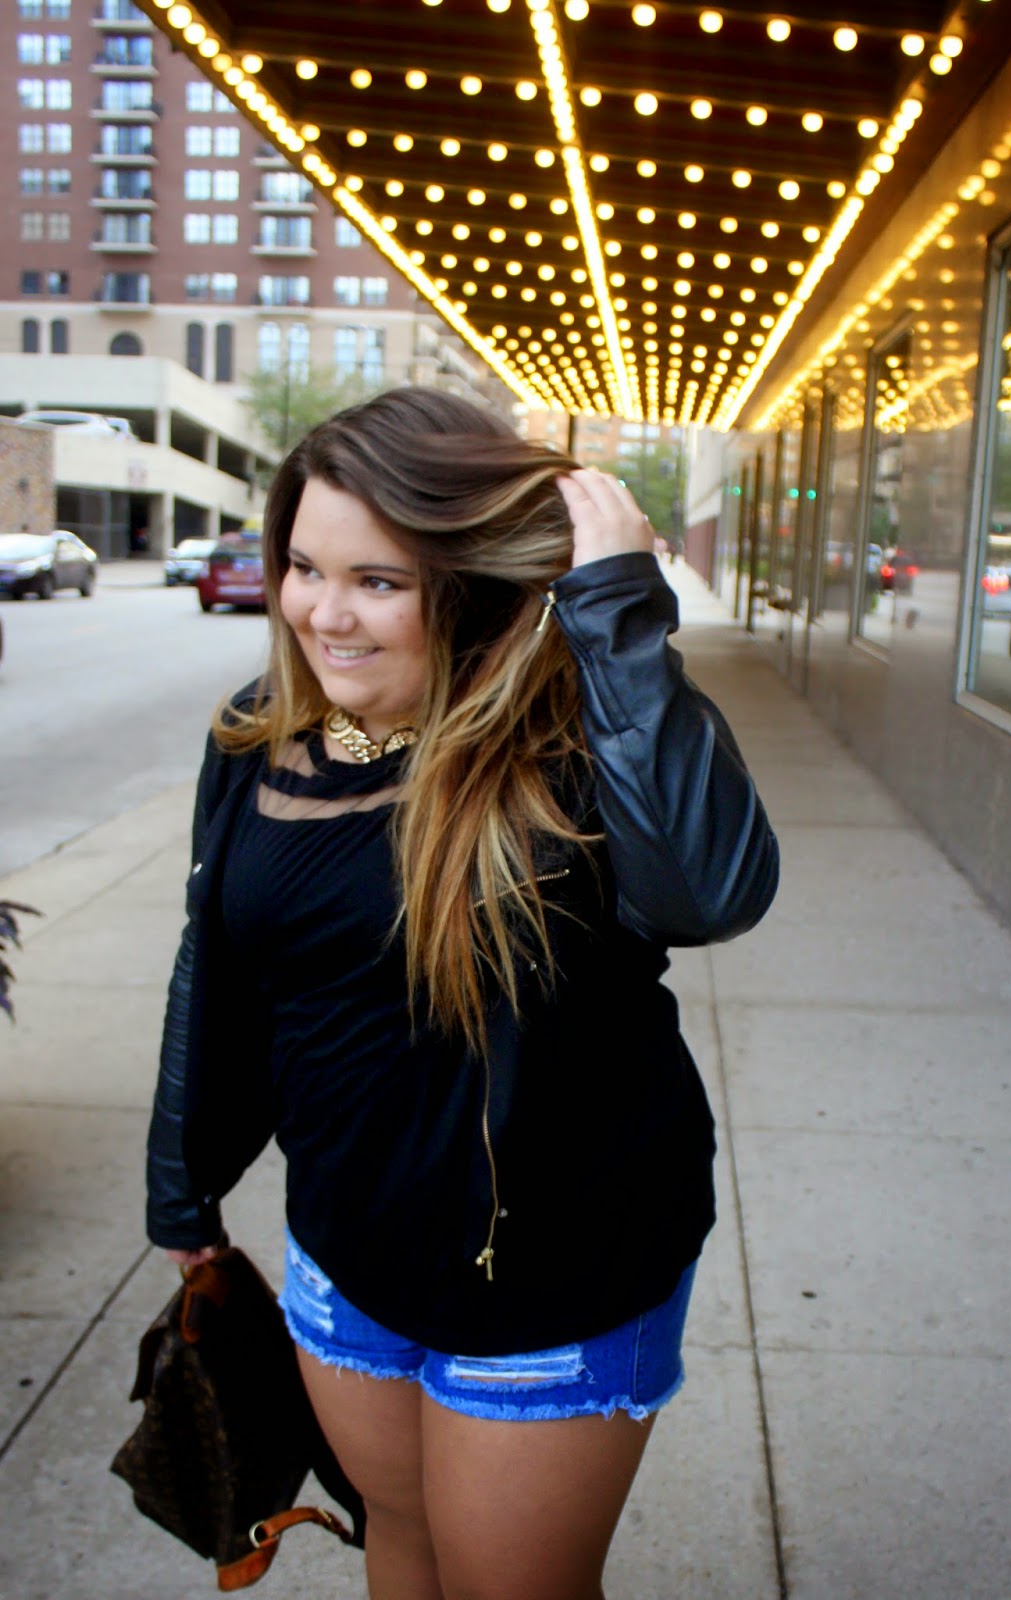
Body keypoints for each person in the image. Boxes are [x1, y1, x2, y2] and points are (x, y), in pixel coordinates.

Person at [146, 387, 778, 1600]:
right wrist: (182, 1183)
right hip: (349, 1247)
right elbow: (219, 970)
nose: (325, 613)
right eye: (303, 567)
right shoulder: (257, 733)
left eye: (378, 581)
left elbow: (711, 891)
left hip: (558, 1268)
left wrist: (618, 613)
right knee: (404, 1535)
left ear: (470, 580)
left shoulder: (575, 743)